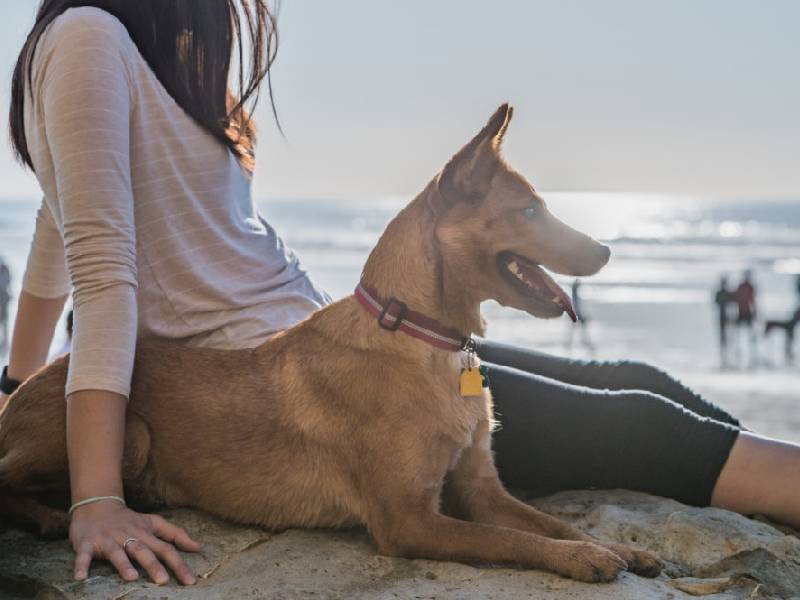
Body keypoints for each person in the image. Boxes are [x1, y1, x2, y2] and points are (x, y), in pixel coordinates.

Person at [3, 1, 800, 587]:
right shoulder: (87, 37)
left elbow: (55, 224)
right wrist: (96, 498)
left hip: (352, 341)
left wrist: (15, 382)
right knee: (643, 422)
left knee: (638, 380)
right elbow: (101, 268)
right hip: (280, 382)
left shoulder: (137, 49)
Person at [734, 270, 758, 368]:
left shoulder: (748, 286)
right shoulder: (744, 286)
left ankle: (750, 349)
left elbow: (752, 300)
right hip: (743, 311)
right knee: (741, 332)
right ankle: (740, 348)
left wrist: (755, 310)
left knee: (749, 331)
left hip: (746, 311)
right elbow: (739, 299)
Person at [565, 279, 595, 354]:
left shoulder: (574, 295)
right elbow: (577, 306)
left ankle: (570, 345)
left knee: (575, 331)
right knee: (582, 331)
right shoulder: (575, 296)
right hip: (577, 314)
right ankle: (587, 345)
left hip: (575, 314)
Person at [713, 275, 733, 368]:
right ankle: (723, 356)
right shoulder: (722, 293)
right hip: (723, 316)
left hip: (725, 316)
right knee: (723, 337)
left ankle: (726, 356)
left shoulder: (723, 293)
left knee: (726, 337)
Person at [0, 258, 11, 350]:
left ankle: (5, 341)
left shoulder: (5, 268)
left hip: (4, 299)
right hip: (3, 297)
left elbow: (7, 282)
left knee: (4, 320)